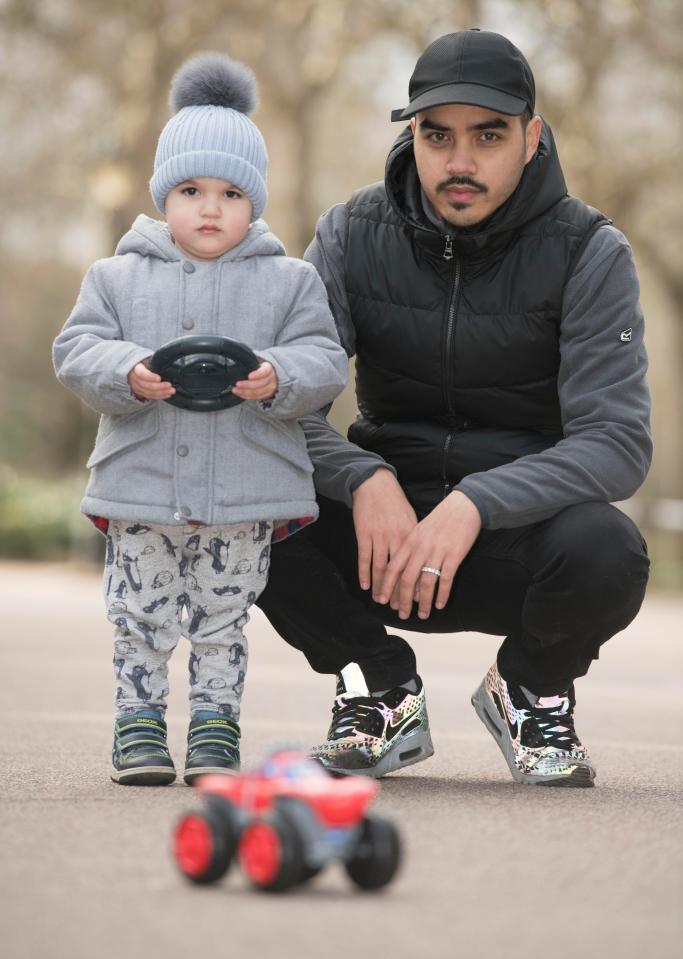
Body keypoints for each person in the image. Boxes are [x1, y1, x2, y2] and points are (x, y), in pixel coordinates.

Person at [257, 29, 652, 787]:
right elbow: (278, 399)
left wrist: (478, 499)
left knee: (610, 548)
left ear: (531, 138)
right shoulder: (348, 235)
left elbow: (616, 442)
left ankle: (530, 687)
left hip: (515, 544)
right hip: (382, 540)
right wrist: (361, 477)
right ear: (412, 134)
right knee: (244, 497)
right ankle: (375, 688)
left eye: (488, 136)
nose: (459, 162)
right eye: (437, 136)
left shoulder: (588, 251)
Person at [53, 53, 348, 786]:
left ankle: (215, 728)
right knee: (139, 618)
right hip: (142, 491)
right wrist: (127, 369)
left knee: (222, 621)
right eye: (190, 190)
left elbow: (325, 358)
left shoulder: (289, 281)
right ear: (163, 196)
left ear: (255, 202)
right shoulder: (115, 277)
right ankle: (139, 726)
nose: (209, 208)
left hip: (242, 496)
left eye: (229, 192)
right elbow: (75, 348)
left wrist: (281, 375)